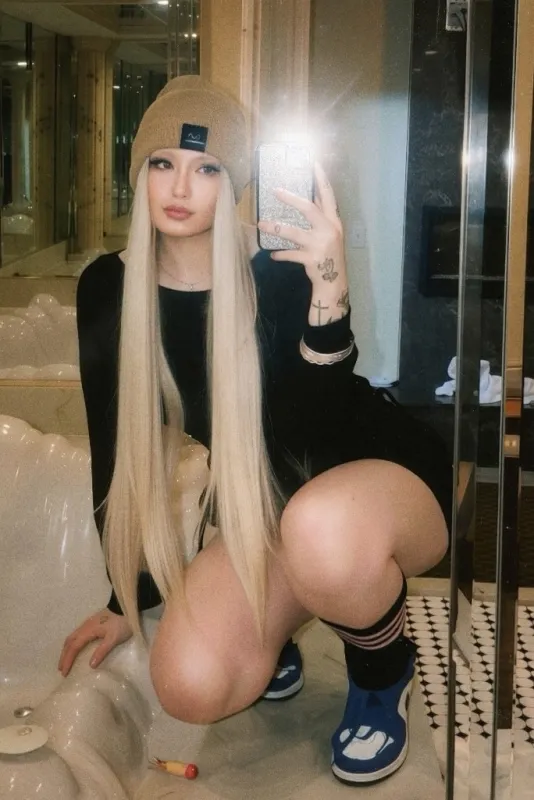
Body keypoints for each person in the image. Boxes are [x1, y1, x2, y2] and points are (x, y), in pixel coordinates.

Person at [58, 75, 452, 786]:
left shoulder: (277, 270)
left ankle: (381, 668)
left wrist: (328, 292)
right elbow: (115, 453)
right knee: (189, 681)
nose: (182, 187)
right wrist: (125, 597)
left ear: (236, 182)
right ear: (139, 173)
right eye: (163, 163)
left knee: (319, 529)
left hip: (377, 480)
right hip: (275, 505)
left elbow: (313, 424)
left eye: (208, 168)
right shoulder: (108, 288)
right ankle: (285, 624)